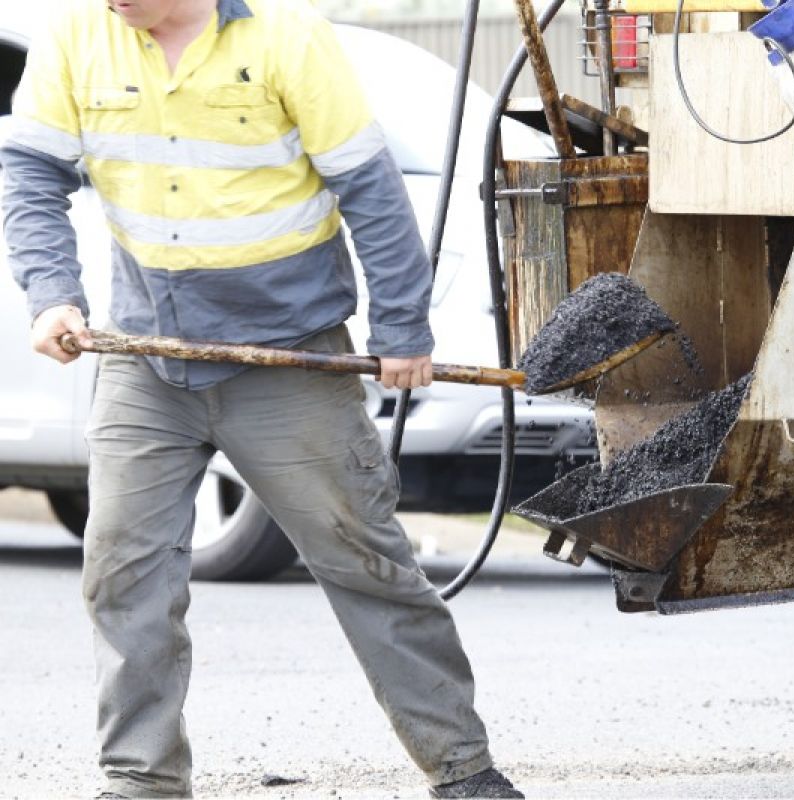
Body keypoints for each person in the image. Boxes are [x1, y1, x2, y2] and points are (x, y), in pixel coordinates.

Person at [1, 0, 523, 797]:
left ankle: (462, 770)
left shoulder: (288, 37)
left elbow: (370, 189)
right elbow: (32, 172)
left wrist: (403, 329)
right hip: (147, 356)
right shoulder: (78, 37)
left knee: (366, 562)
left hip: (291, 356)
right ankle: (140, 780)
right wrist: (52, 295)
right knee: (122, 574)